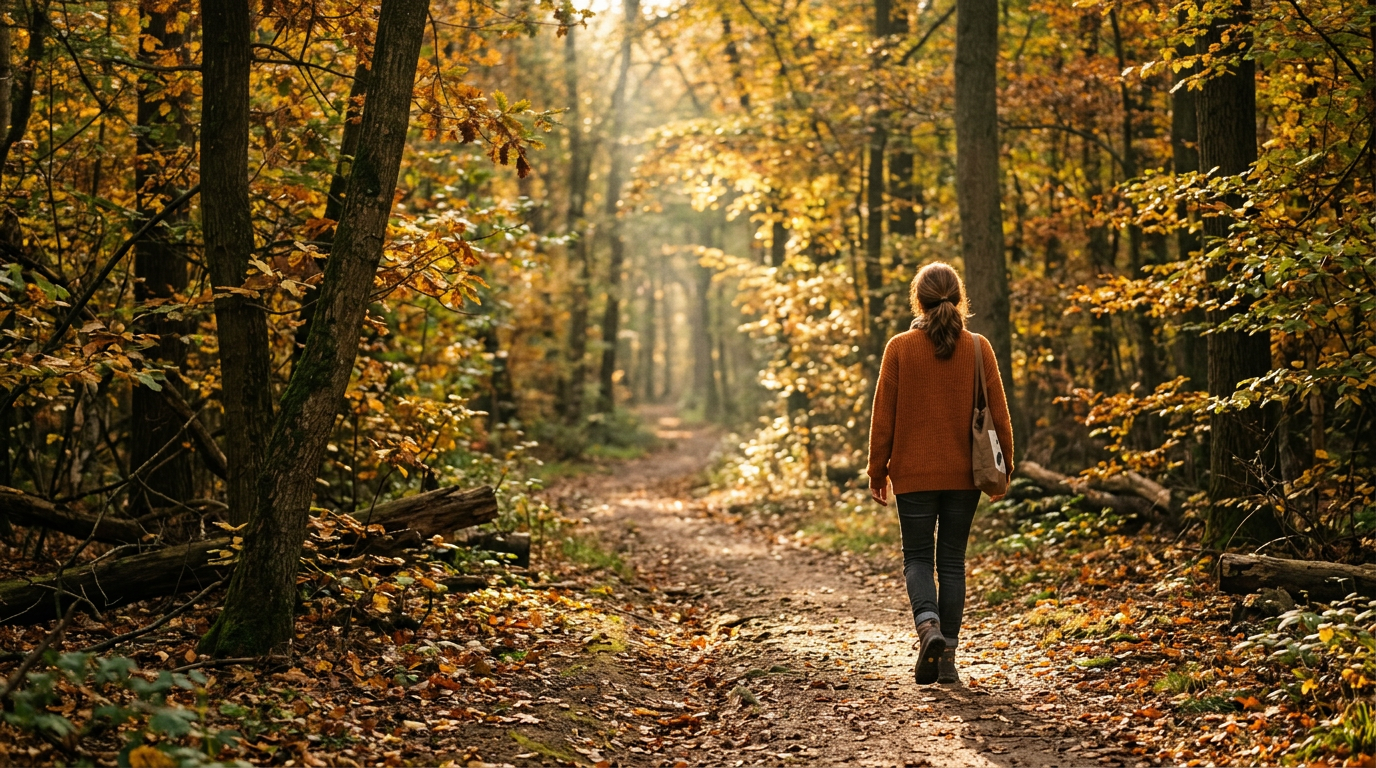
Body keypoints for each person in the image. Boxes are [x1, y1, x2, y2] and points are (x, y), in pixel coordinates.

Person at [866, 262, 1014, 686]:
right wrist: (1006, 468)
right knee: (951, 561)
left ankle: (927, 627)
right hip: (965, 475)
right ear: (959, 299)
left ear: (919, 300)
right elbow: (1000, 416)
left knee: (916, 557)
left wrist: (878, 470)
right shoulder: (978, 347)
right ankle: (947, 658)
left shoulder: (899, 347)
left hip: (913, 474)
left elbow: (884, 418)